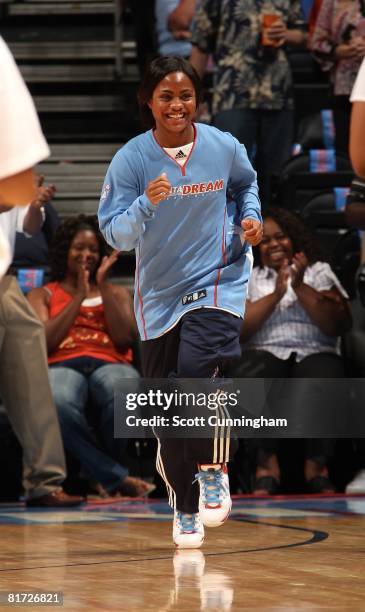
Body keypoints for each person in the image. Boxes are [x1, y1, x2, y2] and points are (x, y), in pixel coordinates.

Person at [98, 56, 262, 548]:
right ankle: (185, 506)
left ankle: (214, 467)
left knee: (197, 372)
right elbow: (116, 233)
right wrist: (147, 202)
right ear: (148, 101)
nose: (177, 105)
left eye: (186, 95)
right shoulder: (131, 159)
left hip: (219, 278)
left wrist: (250, 218)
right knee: (167, 406)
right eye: (166, 96)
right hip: (160, 294)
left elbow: (245, 185)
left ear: (198, 99)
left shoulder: (223, 146)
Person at [0, 36, 82, 507]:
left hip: (5, 277)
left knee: (30, 373)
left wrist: (26, 199)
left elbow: (22, 214)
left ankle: (46, 481)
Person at [28, 215, 154, 498]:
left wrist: (101, 286)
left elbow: (124, 338)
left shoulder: (117, 292)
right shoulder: (43, 294)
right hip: (62, 362)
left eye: (92, 250)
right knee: (57, 400)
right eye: (78, 248)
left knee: (125, 390)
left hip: (110, 362)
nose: (86, 255)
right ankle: (114, 476)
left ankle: (99, 473)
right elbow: (43, 342)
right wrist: (78, 297)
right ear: (65, 252)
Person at [230, 207, 351, 494]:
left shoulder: (319, 271)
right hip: (264, 350)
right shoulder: (248, 276)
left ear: (293, 240)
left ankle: (317, 468)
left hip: (314, 350)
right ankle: (266, 467)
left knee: (323, 373)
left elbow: (338, 323)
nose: (273, 245)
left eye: (280, 237)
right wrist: (277, 294)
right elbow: (241, 329)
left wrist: (299, 286)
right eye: (266, 240)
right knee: (250, 374)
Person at [190, 0, 306, 206]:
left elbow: (303, 34)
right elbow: (200, 44)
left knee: (278, 174)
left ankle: (274, 232)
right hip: (232, 93)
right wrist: (191, 97)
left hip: (278, 94)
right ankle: (229, 234)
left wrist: (286, 34)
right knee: (230, 172)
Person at [310, 0, 365, 155]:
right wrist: (340, 51)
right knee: (347, 152)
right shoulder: (332, 2)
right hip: (344, 90)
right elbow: (316, 42)